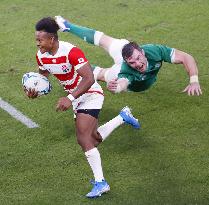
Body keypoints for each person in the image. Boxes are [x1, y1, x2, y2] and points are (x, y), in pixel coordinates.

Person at [24, 17, 140, 198]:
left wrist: (69, 98)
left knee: (83, 139)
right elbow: (44, 77)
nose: (37, 43)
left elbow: (89, 78)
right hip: (77, 97)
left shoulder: (71, 52)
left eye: (40, 40)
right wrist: (36, 91)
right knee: (92, 140)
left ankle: (101, 183)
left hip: (90, 93)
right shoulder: (41, 56)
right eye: (36, 40)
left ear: (52, 39)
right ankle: (122, 117)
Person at [55, 16, 202, 96]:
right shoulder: (126, 69)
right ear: (126, 62)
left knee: (107, 40)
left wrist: (194, 81)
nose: (138, 64)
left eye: (138, 58)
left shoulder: (154, 51)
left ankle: (67, 26)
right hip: (124, 77)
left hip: (131, 59)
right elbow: (123, 83)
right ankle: (69, 61)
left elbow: (186, 57)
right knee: (104, 74)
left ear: (143, 52)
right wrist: (116, 87)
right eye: (132, 62)